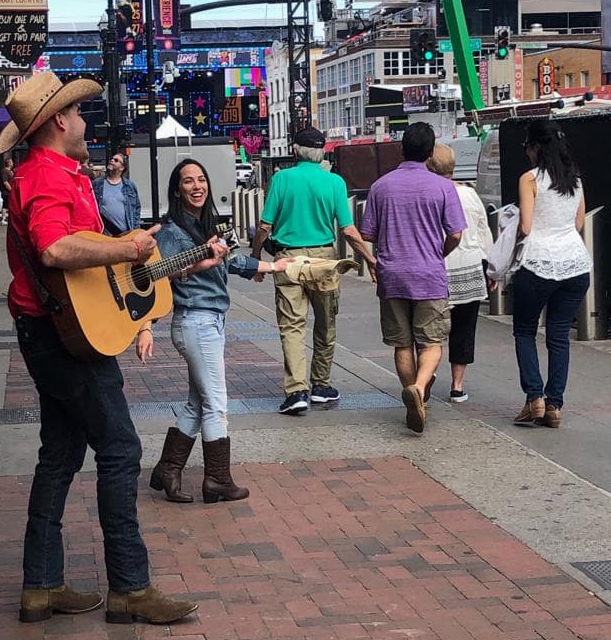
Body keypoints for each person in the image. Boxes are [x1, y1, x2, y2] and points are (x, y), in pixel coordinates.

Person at [0, 71, 203, 626]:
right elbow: (54, 247)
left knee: (61, 453)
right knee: (120, 450)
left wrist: (124, 253)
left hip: (54, 329)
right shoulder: (47, 173)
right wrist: (124, 245)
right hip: (63, 339)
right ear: (59, 121)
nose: (87, 122)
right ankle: (130, 588)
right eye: (79, 114)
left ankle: (41, 586)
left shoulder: (56, 172)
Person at [140, 159, 288, 503]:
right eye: (188, 181)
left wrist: (272, 266)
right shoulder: (172, 232)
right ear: (177, 189)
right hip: (196, 321)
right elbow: (158, 277)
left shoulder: (202, 224)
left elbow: (232, 259)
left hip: (209, 321)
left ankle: (168, 468)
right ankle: (217, 479)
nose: (197, 186)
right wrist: (145, 326)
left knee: (197, 402)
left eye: (201, 179)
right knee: (217, 403)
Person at [250, 127, 376, 415]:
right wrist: (369, 259)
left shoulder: (281, 179)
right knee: (326, 323)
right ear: (322, 153)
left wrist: (257, 258)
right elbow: (348, 230)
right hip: (324, 259)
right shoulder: (334, 182)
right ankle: (321, 385)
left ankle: (296, 392)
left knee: (292, 327)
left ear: (295, 150)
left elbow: (264, 226)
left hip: (288, 260)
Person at [360, 123, 466, 434]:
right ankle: (419, 390)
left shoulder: (381, 186)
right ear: (431, 153)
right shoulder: (444, 188)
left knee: (401, 343)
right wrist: (439, 252)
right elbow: (456, 233)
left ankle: (413, 397)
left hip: (392, 274)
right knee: (432, 341)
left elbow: (368, 233)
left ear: (401, 148)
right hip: (429, 274)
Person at [508, 119, 591, 428]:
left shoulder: (529, 179)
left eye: (526, 145)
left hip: (538, 263)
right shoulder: (576, 179)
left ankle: (534, 398)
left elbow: (527, 227)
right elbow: (579, 223)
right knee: (558, 336)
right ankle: (554, 404)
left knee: (525, 331)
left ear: (536, 146)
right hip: (575, 265)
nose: (526, 151)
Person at [426, 144, 493, 403]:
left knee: (431, 329)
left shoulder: (431, 193)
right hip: (471, 266)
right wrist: (490, 268)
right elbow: (483, 230)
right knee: (464, 329)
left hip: (439, 268)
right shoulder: (470, 194)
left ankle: (427, 375)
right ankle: (457, 386)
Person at [92, 153, 141, 235]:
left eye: (116, 160)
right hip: (104, 234)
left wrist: (135, 231)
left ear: (122, 168)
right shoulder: (97, 184)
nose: (112, 160)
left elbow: (136, 209)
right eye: (111, 158)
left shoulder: (129, 186)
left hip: (126, 233)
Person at [1, 156, 14, 224]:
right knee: (5, 204)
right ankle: (3, 219)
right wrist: (11, 190)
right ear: (8, 163)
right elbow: (5, 182)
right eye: (11, 162)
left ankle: (8, 218)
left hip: (10, 191)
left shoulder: (10, 171)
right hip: (6, 192)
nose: (12, 163)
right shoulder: (5, 171)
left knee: (10, 205)